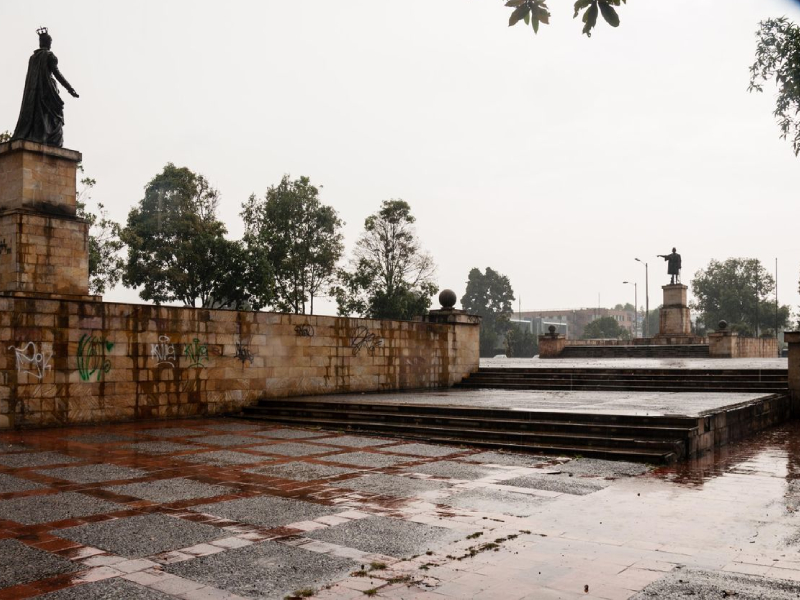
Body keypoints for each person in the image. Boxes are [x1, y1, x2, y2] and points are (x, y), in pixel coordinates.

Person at [11, 28, 79, 148]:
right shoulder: (49, 56)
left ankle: (38, 135)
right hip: (48, 91)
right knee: (55, 114)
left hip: (33, 94)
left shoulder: (33, 58)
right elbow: (57, 74)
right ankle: (48, 138)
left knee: (39, 113)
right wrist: (70, 88)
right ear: (48, 43)